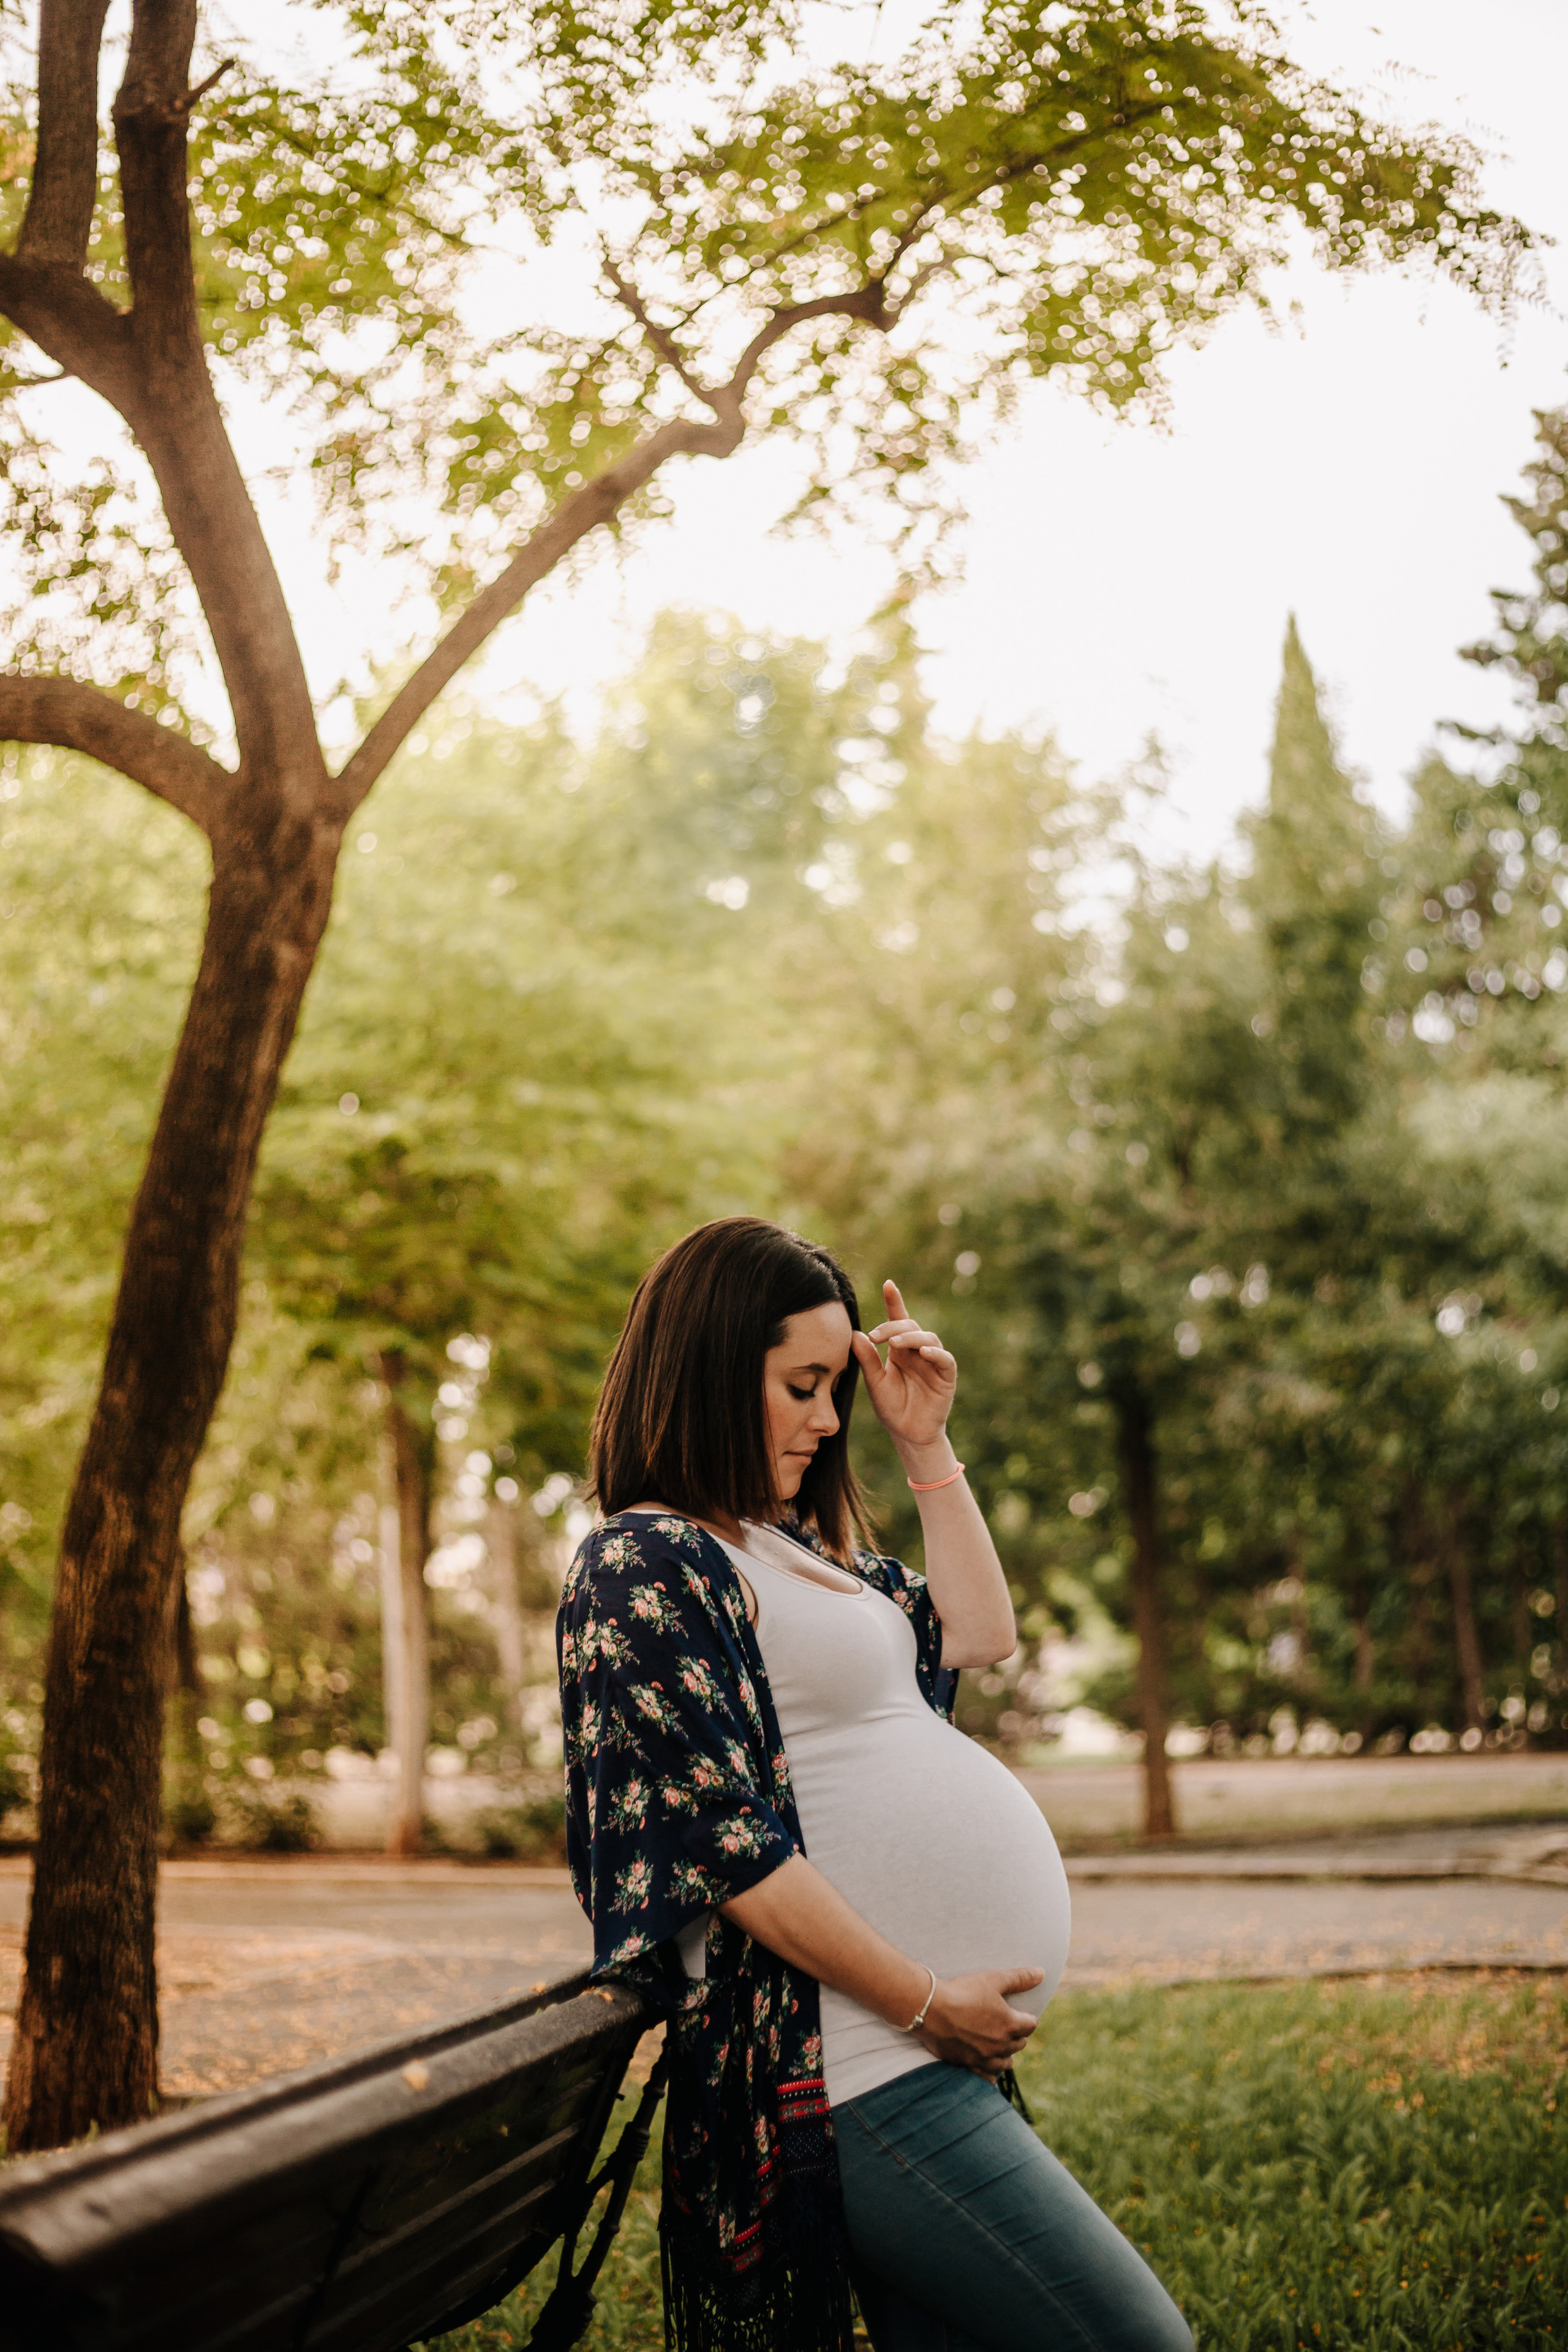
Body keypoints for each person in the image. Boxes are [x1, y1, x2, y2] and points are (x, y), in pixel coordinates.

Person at [558, 1216, 1192, 2352]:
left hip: (905, 2054)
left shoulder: (789, 1547)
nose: (825, 1414)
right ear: (708, 1372)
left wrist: (926, 1448)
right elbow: (728, 1848)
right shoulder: (643, 1563)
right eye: (801, 1384)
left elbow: (980, 1634)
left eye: (831, 1385)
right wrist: (919, 1999)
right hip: (854, 2065)